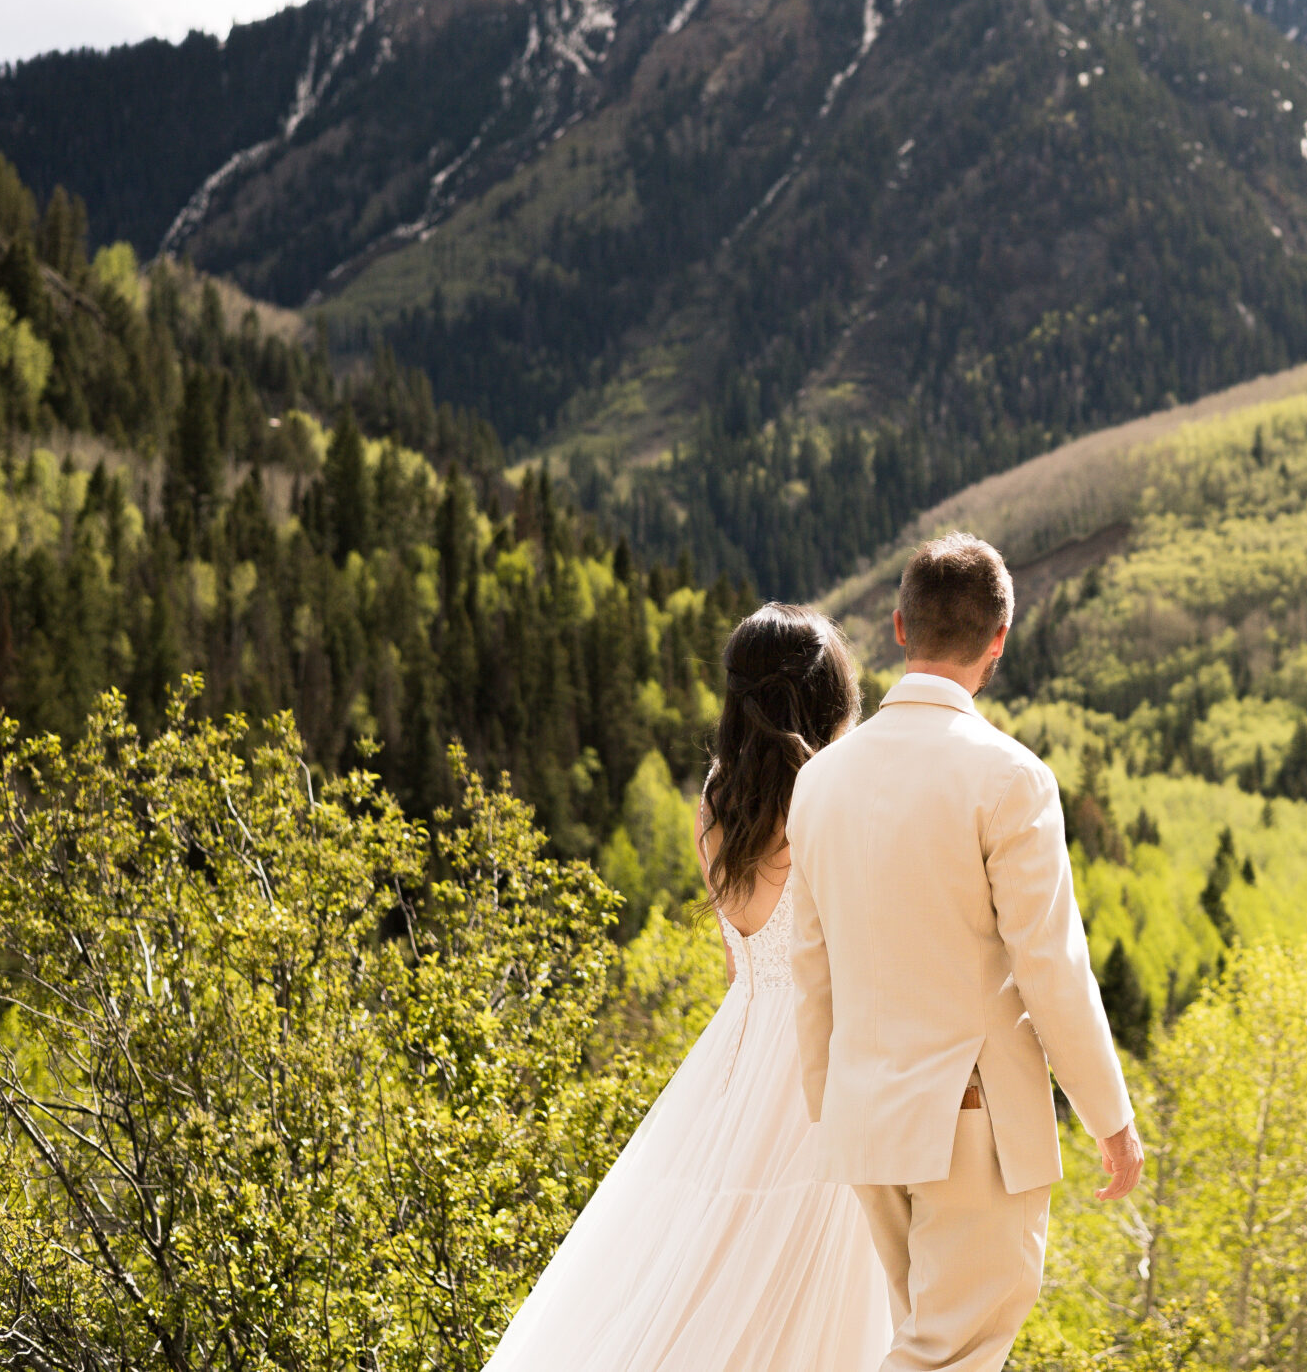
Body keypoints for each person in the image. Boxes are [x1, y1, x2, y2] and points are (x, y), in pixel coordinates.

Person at [482, 602, 892, 1372]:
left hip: (737, 1059)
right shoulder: (837, 802)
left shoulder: (715, 803)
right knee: (813, 1280)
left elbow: (741, 961)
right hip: (820, 1060)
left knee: (708, 1259)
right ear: (828, 699)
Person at [789, 532, 1142, 1372]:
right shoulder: (1010, 779)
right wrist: (1111, 1117)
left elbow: (812, 972)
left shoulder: (821, 780)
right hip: (970, 1118)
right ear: (1000, 639)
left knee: (926, 1342)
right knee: (947, 1356)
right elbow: (1051, 967)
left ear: (902, 626)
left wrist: (826, 1104)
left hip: (868, 1113)